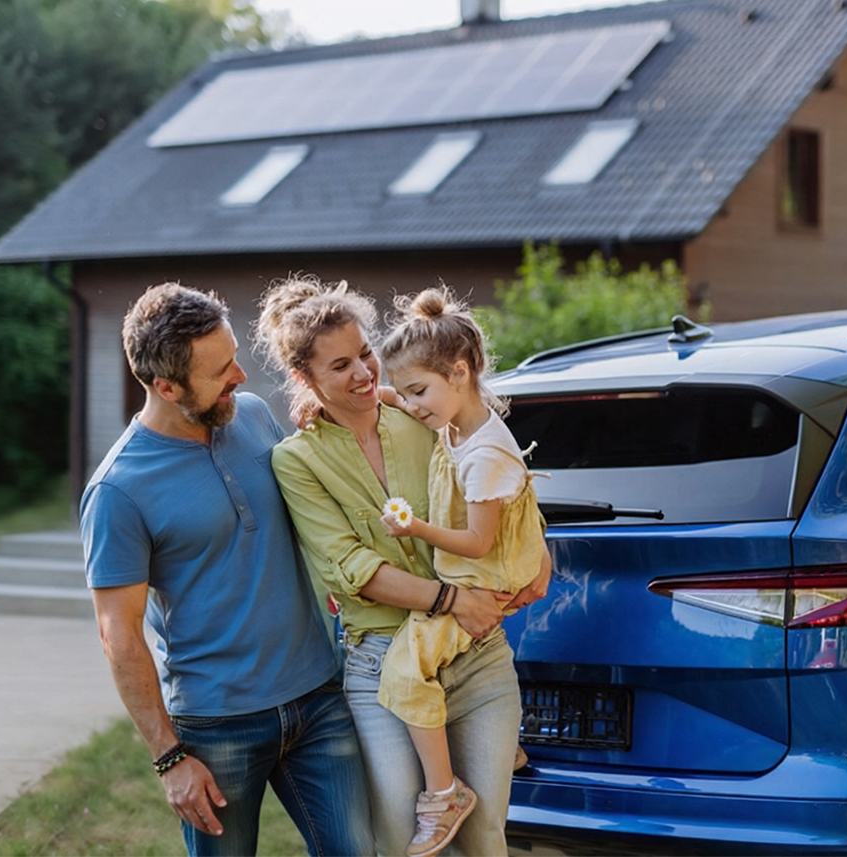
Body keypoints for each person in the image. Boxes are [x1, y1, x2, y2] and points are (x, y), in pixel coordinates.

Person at [257, 275, 549, 857]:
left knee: (485, 835)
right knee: (397, 835)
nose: (364, 373)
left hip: (476, 654)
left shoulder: (420, 412)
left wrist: (542, 553)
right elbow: (351, 568)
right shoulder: (298, 460)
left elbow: (499, 478)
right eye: (339, 366)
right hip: (383, 662)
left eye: (365, 353)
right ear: (305, 379)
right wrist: (450, 599)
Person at [81, 282, 372, 857]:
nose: (240, 375)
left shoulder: (257, 417)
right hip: (218, 727)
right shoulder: (118, 491)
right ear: (166, 386)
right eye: (220, 371)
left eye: (234, 355)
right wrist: (169, 757)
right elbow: (119, 637)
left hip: (319, 697)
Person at [372, 287, 547, 857]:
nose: (414, 405)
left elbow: (477, 542)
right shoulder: (459, 422)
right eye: (407, 394)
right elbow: (411, 403)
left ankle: (444, 793)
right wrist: (382, 396)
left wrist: (415, 528)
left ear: (461, 372)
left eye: (419, 391)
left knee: (403, 672)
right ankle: (501, 747)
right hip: (478, 578)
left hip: (477, 579)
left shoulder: (485, 455)